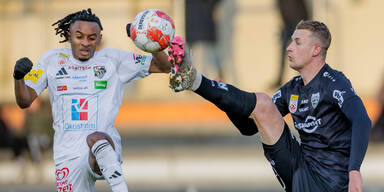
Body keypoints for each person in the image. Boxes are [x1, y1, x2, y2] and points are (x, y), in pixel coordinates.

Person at [168, 20, 371, 192]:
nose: (289, 47)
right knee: (263, 105)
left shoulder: (334, 82)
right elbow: (249, 127)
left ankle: (196, 81)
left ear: (316, 50)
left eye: (297, 42)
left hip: (334, 183)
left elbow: (362, 121)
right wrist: (221, 97)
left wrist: (354, 170)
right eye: (291, 41)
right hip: (300, 169)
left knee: (262, 103)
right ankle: (195, 81)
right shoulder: (292, 89)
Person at [13, 8, 171, 192]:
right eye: (79, 37)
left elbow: (164, 66)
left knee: (96, 139)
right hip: (67, 155)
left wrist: (147, 42)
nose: (86, 43)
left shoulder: (113, 59)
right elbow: (24, 101)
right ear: (68, 35)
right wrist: (18, 77)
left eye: (92, 38)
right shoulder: (51, 60)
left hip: (104, 150)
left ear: (100, 38)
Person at [272, 0, 310, 88]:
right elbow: (282, 11)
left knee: (299, 54)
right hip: (287, 25)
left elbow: (304, 10)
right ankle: (279, 79)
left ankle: (302, 79)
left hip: (298, 25)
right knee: (283, 53)